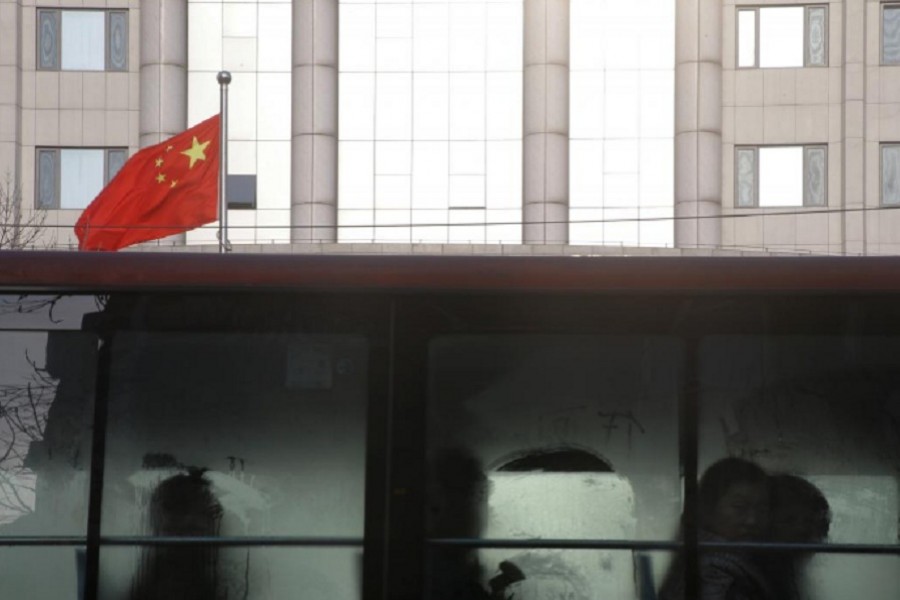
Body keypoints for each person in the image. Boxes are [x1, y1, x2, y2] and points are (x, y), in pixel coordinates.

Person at [659, 457, 774, 600]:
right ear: (709, 509)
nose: (752, 520)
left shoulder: (704, 555)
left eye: (762, 509)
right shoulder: (713, 571)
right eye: (739, 507)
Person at [764, 474, 831, 600]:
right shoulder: (739, 578)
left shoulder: (788, 573)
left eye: (810, 522)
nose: (802, 530)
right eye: (789, 520)